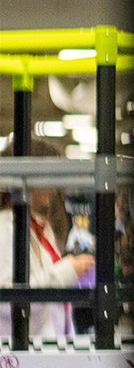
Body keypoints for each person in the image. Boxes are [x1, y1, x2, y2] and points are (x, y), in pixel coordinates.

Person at [1, 141, 96, 339]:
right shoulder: (5, 229)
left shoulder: (41, 228)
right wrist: (67, 270)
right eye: (49, 176)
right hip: (21, 357)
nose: (54, 189)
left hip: (48, 352)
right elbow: (8, 303)